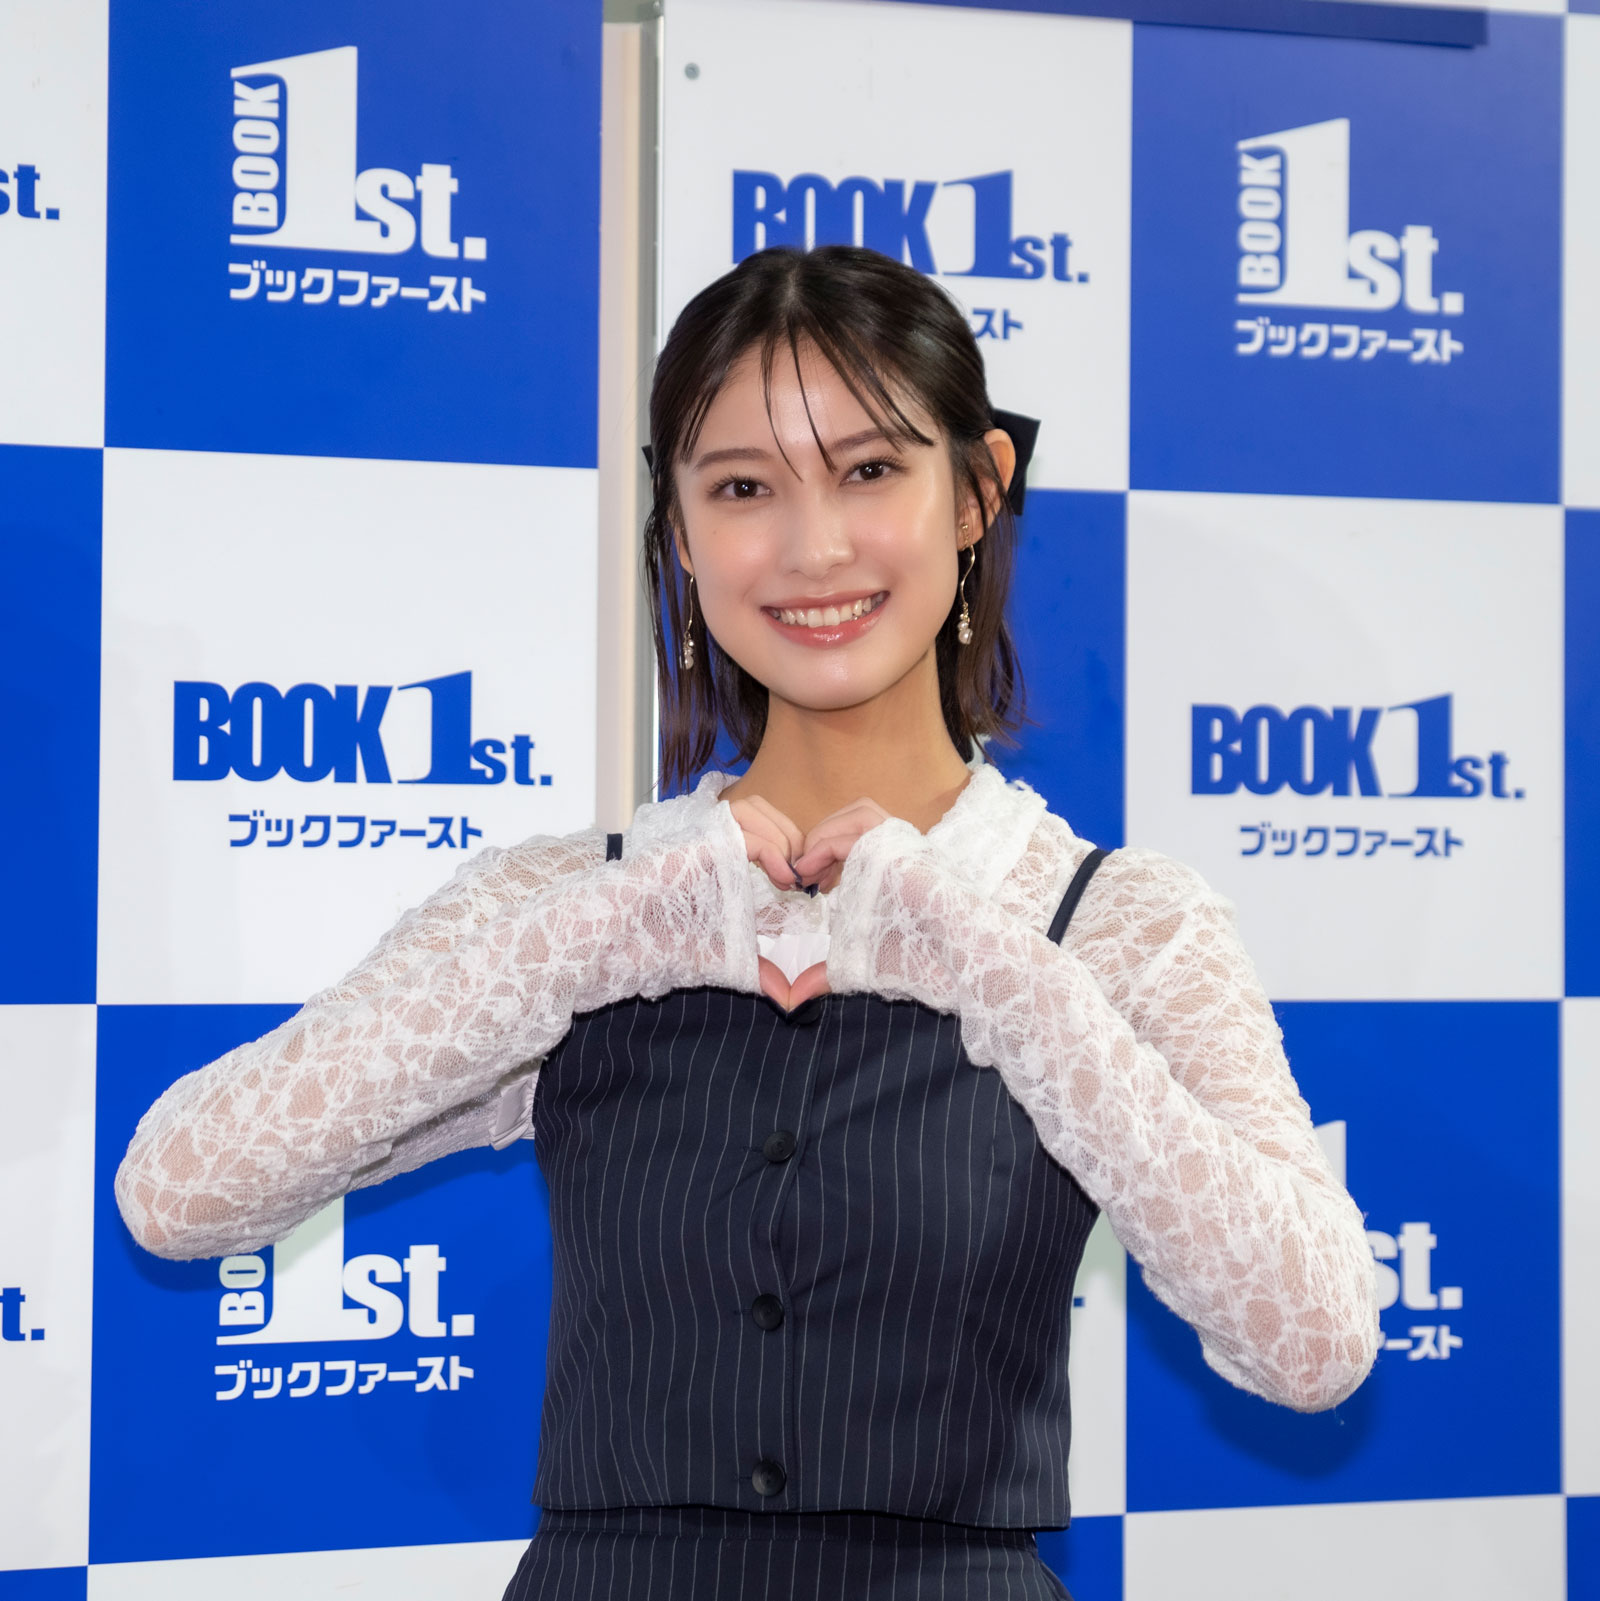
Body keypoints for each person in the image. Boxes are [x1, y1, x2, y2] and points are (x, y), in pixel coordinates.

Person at [116, 244, 1380, 1599]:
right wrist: (593, 948)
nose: (812, 547)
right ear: (677, 528)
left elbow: (1314, 1343)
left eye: (870, 470)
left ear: (978, 492)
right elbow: (179, 1192)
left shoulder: (1111, 920)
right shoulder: (575, 899)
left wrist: (1003, 979)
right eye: (741, 488)